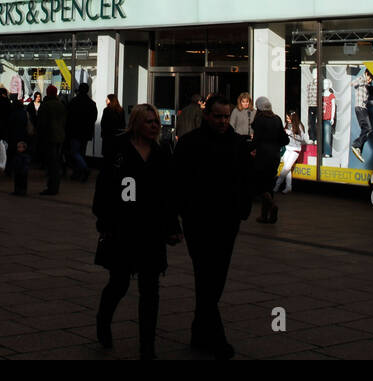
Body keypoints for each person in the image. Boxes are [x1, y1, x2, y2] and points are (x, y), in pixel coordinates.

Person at [93, 103, 182, 359]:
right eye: (149, 121)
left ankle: (147, 346)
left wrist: (172, 226)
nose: (155, 126)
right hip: (122, 227)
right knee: (119, 283)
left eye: (157, 122)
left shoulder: (161, 152)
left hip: (151, 230)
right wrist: (104, 221)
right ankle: (104, 319)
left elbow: (167, 194)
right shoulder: (118, 149)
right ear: (136, 123)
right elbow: (104, 188)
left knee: (150, 289)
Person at [171, 94, 253, 359]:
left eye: (225, 116)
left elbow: (246, 179)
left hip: (227, 222)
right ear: (206, 115)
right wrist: (178, 216)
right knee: (206, 276)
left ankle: (199, 329)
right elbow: (177, 183)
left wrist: (243, 209)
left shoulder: (237, 144)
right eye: (217, 116)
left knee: (215, 278)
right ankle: (216, 338)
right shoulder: (189, 144)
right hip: (199, 222)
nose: (222, 121)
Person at [251, 97, 288, 224]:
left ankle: (272, 205)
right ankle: (265, 216)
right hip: (275, 156)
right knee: (269, 185)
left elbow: (255, 141)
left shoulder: (259, 120)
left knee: (260, 185)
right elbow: (285, 140)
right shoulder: (277, 119)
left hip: (263, 156)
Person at [37, 85, 67, 195]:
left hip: (49, 137)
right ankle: (55, 186)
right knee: (55, 163)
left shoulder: (46, 106)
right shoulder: (61, 105)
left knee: (51, 164)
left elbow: (41, 124)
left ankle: (51, 187)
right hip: (59, 137)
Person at [66, 83, 96, 183]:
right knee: (81, 152)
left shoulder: (74, 102)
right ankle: (80, 172)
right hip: (86, 132)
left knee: (74, 152)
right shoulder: (91, 103)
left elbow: (69, 117)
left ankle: (83, 169)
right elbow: (93, 118)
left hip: (75, 131)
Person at [275, 111, 307, 194]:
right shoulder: (287, 125)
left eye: (289, 118)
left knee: (286, 168)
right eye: (286, 118)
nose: (287, 120)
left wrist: (291, 133)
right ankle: (288, 187)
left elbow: (302, 138)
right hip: (287, 148)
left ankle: (276, 185)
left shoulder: (299, 125)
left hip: (295, 150)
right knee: (287, 168)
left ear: (293, 117)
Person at [9, 94, 32, 196]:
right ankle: (23, 189)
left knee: (17, 166)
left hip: (15, 139)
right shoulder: (25, 113)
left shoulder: (13, 114)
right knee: (24, 166)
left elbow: (10, 126)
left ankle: (18, 189)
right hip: (24, 139)